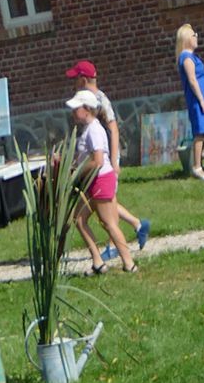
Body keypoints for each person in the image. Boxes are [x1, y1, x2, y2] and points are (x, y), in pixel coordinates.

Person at [64, 58, 150, 250]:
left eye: (75, 79)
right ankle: (137, 225)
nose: (73, 83)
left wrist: (113, 160)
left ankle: (115, 246)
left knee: (106, 203)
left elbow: (113, 129)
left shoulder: (100, 100)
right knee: (105, 200)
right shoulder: (82, 102)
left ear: (84, 80)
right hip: (96, 155)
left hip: (104, 157)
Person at [66, 88, 139, 274]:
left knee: (109, 224)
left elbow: (97, 161)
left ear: (87, 109)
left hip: (99, 180)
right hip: (91, 181)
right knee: (79, 220)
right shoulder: (88, 129)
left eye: (76, 108)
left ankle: (129, 263)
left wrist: (77, 172)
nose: (73, 112)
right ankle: (98, 262)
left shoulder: (95, 130)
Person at [175, 24, 204, 180]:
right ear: (187, 39)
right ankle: (197, 166)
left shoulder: (194, 57)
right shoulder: (186, 58)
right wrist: (201, 99)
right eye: (194, 35)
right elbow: (192, 80)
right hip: (197, 99)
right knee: (200, 132)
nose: (197, 37)